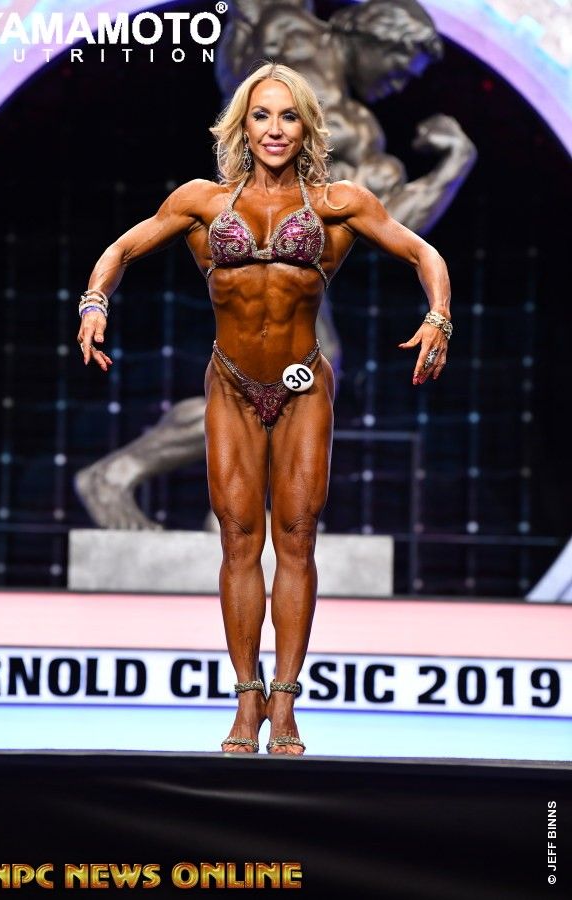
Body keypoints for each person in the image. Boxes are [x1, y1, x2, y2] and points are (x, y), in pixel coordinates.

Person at [76, 62, 452, 755]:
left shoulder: (338, 203)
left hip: (304, 385)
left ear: (306, 126)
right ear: (242, 126)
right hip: (230, 385)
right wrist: (95, 302)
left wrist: (439, 317)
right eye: (261, 115)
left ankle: (285, 704)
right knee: (239, 540)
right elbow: (122, 248)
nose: (275, 129)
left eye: (287, 116)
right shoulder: (202, 202)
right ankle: (246, 701)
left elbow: (423, 253)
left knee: (297, 540)